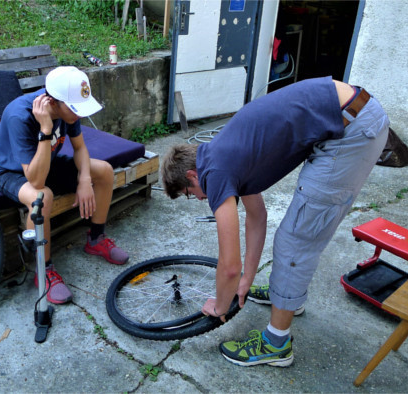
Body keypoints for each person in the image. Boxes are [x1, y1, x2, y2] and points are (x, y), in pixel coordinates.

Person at [160, 77, 389, 367]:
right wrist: (247, 279)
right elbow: (257, 217)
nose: (200, 198)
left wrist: (219, 305)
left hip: (352, 129)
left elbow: (228, 267)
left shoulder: (214, 172)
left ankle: (276, 343)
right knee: (298, 232)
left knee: (295, 241)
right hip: (349, 115)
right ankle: (287, 295)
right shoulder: (227, 151)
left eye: (190, 194)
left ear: (192, 175)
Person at [0, 66, 129, 305]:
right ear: (52, 101)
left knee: (103, 170)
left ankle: (96, 239)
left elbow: (80, 148)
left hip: (44, 162)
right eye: (74, 109)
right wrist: (46, 129)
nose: (78, 115)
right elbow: (35, 180)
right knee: (42, 196)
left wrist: (84, 180)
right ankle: (44, 270)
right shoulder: (20, 115)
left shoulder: (68, 109)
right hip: (7, 170)